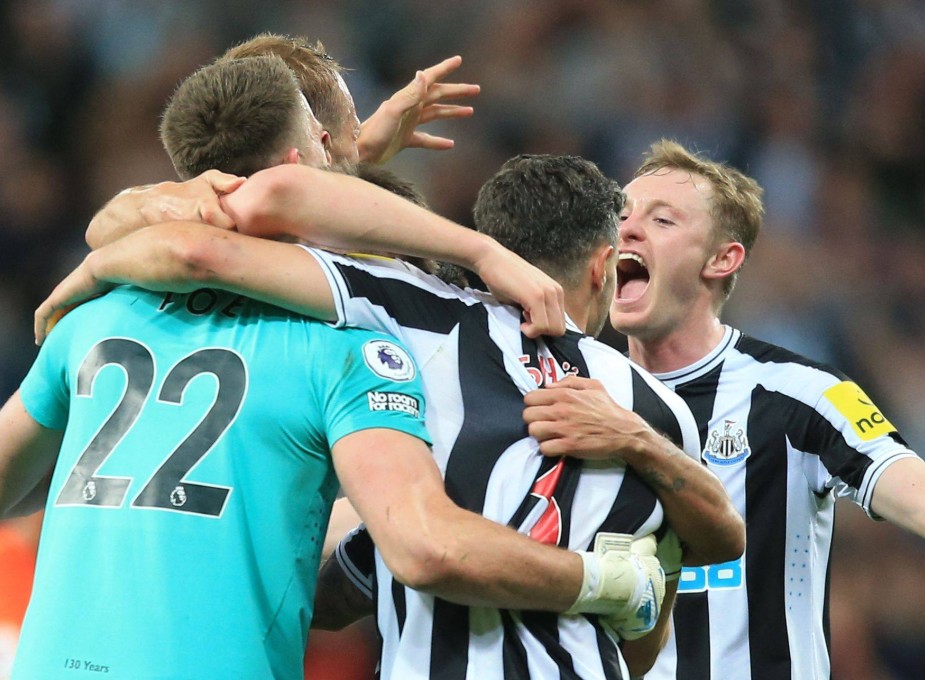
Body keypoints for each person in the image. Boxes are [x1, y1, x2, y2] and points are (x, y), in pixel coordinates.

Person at [0, 59, 668, 680]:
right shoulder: (349, 353)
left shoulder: (94, 320)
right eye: (329, 148)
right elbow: (425, 545)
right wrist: (605, 581)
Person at [520, 138, 925, 680]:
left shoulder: (800, 393)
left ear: (723, 258)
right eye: (621, 216)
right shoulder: (567, 389)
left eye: (662, 221)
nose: (628, 231)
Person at [84, 32, 480, 249]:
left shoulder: (152, 247)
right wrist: (484, 254)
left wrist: (355, 151)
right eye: (347, 131)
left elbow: (103, 229)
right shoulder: (356, 271)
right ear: (312, 146)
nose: (353, 144)